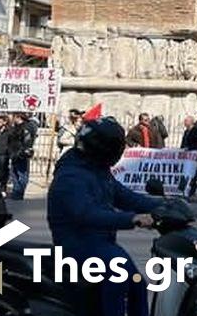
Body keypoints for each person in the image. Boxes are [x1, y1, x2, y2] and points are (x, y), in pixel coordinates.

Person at [47, 116, 160, 316]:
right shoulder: (71, 175)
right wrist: (132, 219)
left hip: (101, 244)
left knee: (137, 284)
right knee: (119, 278)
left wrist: (164, 205)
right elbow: (86, 214)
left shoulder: (96, 169)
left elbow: (125, 196)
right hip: (77, 245)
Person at [8, 113, 38, 201]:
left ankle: (19, 193)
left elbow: (27, 142)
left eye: (15, 117)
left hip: (21, 154)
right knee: (14, 174)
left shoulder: (26, 128)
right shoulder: (15, 127)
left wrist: (22, 152)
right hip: (14, 153)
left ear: (19, 118)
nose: (13, 119)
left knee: (22, 175)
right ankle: (16, 192)